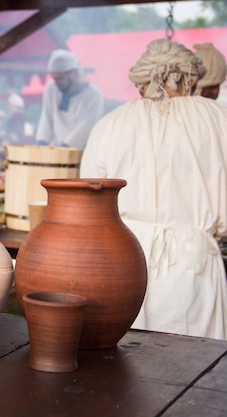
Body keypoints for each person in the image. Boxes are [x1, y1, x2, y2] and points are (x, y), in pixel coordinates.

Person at [80, 38, 227, 340]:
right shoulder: (218, 119)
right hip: (195, 267)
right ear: (190, 79)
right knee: (197, 371)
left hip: (125, 266)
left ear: (142, 83)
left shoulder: (110, 125)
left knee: (128, 366)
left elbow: (89, 209)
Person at [35, 49, 104, 149]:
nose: (56, 82)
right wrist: (41, 144)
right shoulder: (51, 88)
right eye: (54, 78)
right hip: (55, 150)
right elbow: (46, 116)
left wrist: (64, 148)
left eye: (60, 78)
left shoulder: (93, 95)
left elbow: (86, 126)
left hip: (81, 153)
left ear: (73, 74)